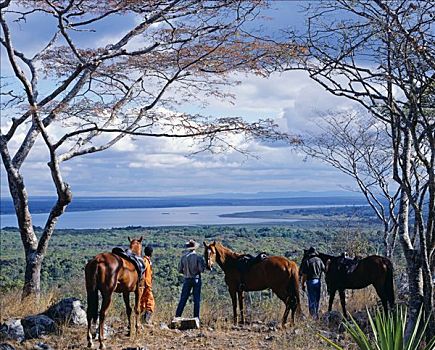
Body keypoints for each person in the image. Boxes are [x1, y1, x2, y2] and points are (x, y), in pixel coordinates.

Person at [175, 239, 205, 319]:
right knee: (196, 300)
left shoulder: (183, 258)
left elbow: (179, 270)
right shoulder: (198, 257)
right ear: (195, 248)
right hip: (196, 279)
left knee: (183, 299)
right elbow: (201, 270)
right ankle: (196, 318)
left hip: (187, 279)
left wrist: (186, 272)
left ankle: (177, 316)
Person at [300, 247, 325, 319]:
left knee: (311, 299)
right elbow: (324, 269)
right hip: (318, 281)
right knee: (317, 299)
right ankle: (316, 314)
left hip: (310, 281)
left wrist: (302, 284)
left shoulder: (307, 261)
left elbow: (304, 275)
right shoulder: (319, 260)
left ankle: (313, 316)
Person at [140, 244, 155, 324]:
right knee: (150, 302)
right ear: (151, 253)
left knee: (143, 302)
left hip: (145, 285)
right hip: (146, 285)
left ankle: (142, 320)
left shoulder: (145, 260)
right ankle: (146, 321)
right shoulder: (145, 261)